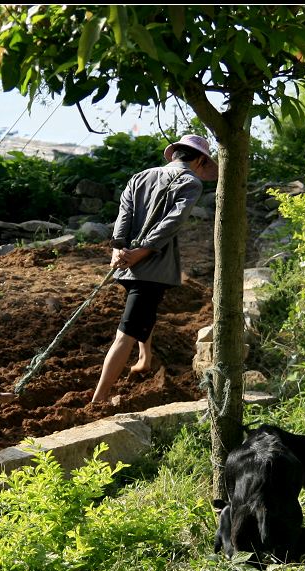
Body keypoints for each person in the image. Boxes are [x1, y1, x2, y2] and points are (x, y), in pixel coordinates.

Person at [92, 134, 218, 403]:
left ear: (175, 154)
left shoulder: (140, 177)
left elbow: (123, 216)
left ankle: (144, 357)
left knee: (142, 314)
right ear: (199, 159)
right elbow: (172, 223)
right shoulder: (190, 182)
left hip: (126, 265)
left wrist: (119, 248)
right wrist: (142, 252)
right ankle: (99, 399)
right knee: (125, 333)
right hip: (151, 268)